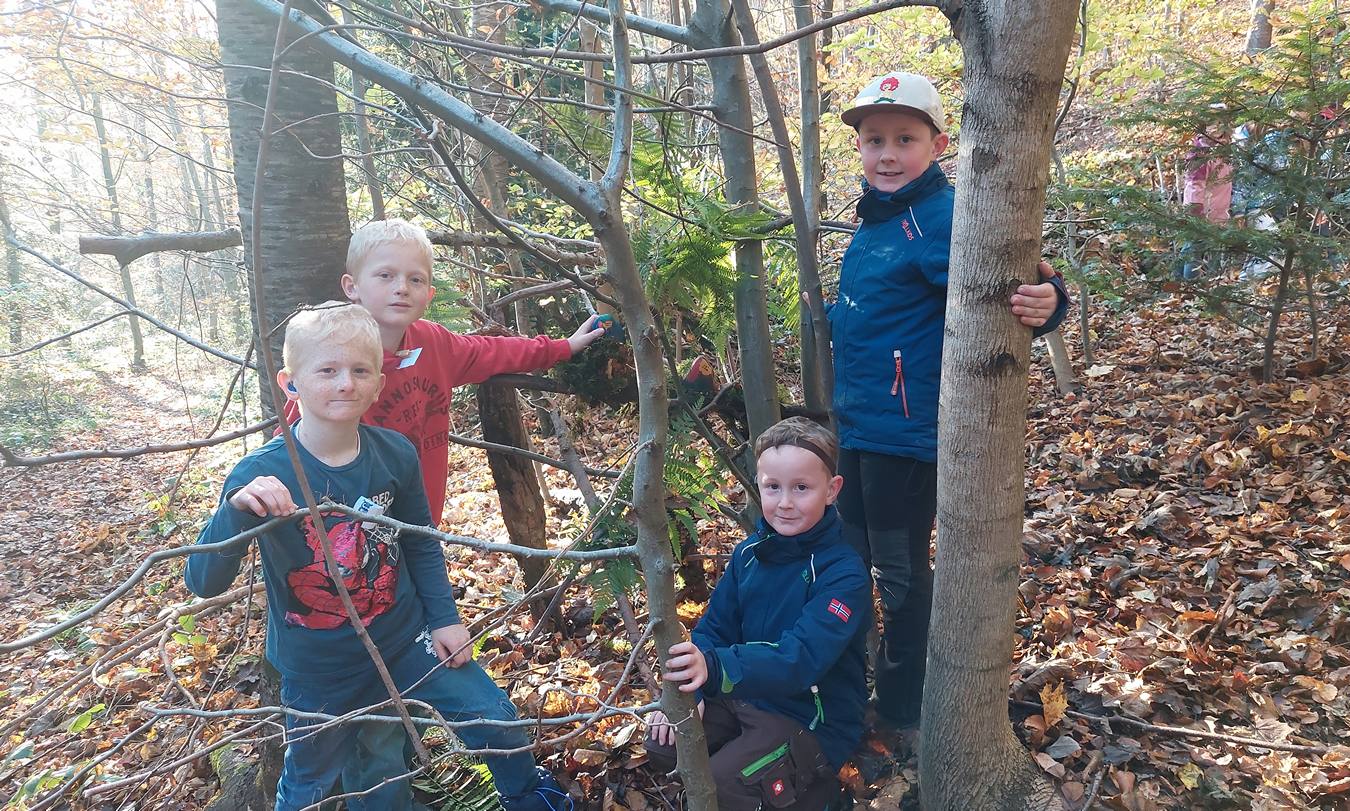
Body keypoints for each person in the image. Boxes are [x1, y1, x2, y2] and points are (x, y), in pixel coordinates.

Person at [185, 304, 570, 811]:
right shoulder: (261, 474)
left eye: (360, 371)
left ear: (378, 384)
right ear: (290, 383)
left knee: (494, 718)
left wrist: (445, 618)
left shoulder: (394, 453)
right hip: (320, 669)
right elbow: (204, 581)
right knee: (320, 781)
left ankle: (533, 799)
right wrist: (235, 512)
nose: (345, 383)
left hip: (405, 638)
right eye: (327, 370)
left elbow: (420, 542)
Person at [827, 72, 1069, 730]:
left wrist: (1050, 302)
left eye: (905, 139)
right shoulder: (877, 218)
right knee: (848, 560)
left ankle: (902, 708)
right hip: (858, 426)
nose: (887, 154)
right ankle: (848, 687)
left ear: (937, 145)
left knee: (899, 573)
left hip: (906, 436)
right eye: (875, 139)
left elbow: (1018, 281)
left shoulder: (942, 217)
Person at [284, 217, 607, 523]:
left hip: (420, 522)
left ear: (429, 294)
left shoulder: (433, 342)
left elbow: (493, 351)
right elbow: (290, 441)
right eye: (385, 275)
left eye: (415, 279)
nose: (402, 288)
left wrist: (563, 347)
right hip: (347, 528)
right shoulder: (329, 355)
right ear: (352, 286)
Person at [645, 418, 870, 811]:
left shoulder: (843, 574)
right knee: (663, 745)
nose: (785, 502)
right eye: (773, 487)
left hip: (810, 716)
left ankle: (820, 795)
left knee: (721, 786)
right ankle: (760, 770)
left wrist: (715, 668)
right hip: (745, 693)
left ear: (832, 490)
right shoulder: (749, 554)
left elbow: (800, 658)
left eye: (801, 488)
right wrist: (692, 689)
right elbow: (715, 628)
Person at [1177, 122, 1235, 280]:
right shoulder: (1200, 153)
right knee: (1194, 248)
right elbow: (1195, 185)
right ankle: (1189, 284)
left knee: (1199, 247)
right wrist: (1196, 209)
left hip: (1219, 209)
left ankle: (1182, 281)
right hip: (1203, 210)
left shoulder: (1225, 150)